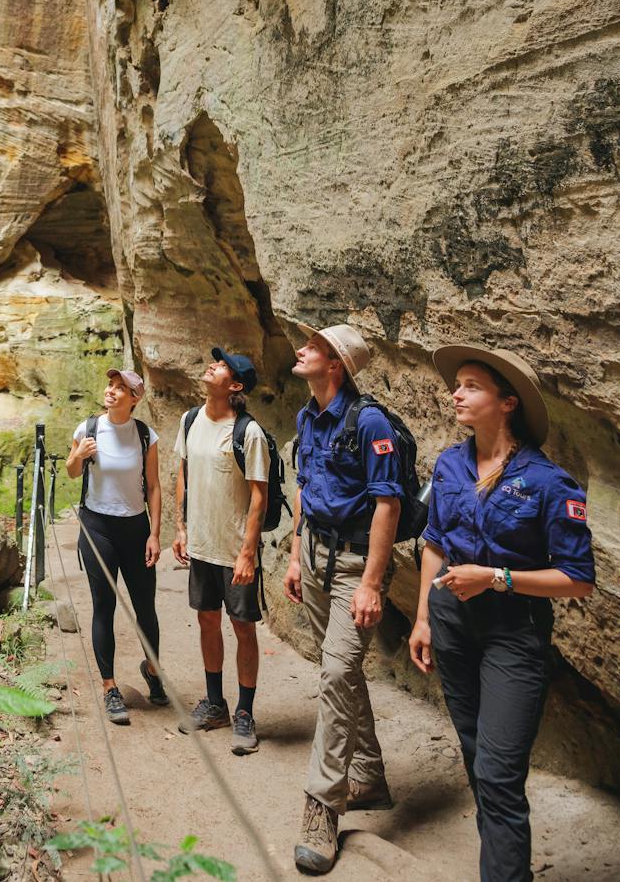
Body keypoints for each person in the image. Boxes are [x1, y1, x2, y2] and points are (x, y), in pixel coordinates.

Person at [409, 345, 594, 882]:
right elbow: (436, 543)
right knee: (475, 758)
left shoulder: (547, 482)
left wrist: (497, 578)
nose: (456, 393)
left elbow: (578, 579)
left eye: (471, 385)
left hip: (513, 633)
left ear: (507, 402)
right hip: (450, 620)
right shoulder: (449, 463)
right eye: (458, 384)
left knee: (498, 771)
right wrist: (422, 616)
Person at [283, 324, 403, 876]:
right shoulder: (308, 416)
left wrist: (373, 584)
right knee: (342, 673)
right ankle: (370, 776)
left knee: (335, 674)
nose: (301, 349)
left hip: (355, 566)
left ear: (335, 365)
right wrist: (292, 557)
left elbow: (387, 505)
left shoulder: (369, 421)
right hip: (313, 555)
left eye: (313, 346)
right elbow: (305, 490)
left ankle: (322, 807)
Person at [172, 347, 272, 755]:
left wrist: (248, 552)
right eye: (213, 362)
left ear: (234, 386)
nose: (211, 365)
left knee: (243, 628)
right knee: (207, 621)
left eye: (221, 366)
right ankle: (215, 704)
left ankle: (245, 712)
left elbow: (259, 497)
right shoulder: (190, 419)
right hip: (201, 545)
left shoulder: (248, 433)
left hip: (234, 550)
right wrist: (180, 527)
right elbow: (182, 472)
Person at [65, 368, 168, 724]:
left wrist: (155, 534)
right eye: (110, 385)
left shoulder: (144, 435)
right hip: (98, 527)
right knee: (104, 606)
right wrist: (79, 454)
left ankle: (153, 671)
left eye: (121, 388)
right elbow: (71, 471)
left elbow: (153, 486)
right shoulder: (88, 428)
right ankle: (110, 688)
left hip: (136, 528)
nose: (111, 391)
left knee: (145, 608)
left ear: (135, 398)